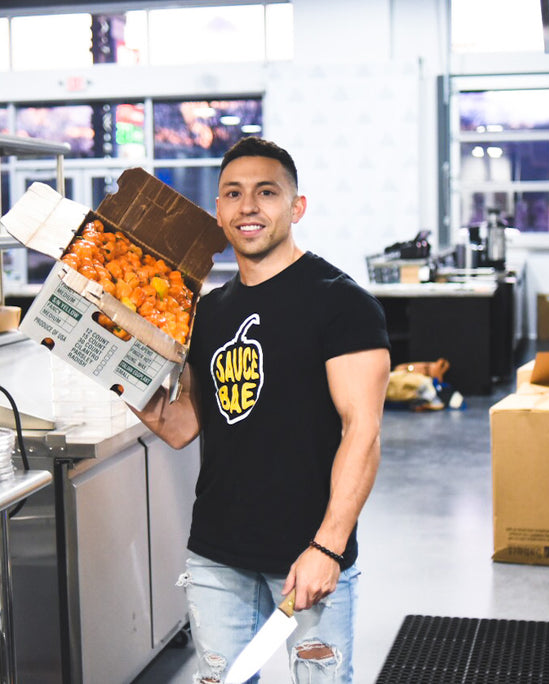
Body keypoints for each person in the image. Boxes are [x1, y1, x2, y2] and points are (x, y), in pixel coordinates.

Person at [132, 136, 390, 683]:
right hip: (217, 553)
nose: (248, 206)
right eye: (233, 194)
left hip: (310, 552)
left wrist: (329, 546)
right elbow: (182, 427)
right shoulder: (209, 313)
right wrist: (114, 368)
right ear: (219, 213)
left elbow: (362, 431)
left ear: (296, 207)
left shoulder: (342, 304)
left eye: (265, 192)